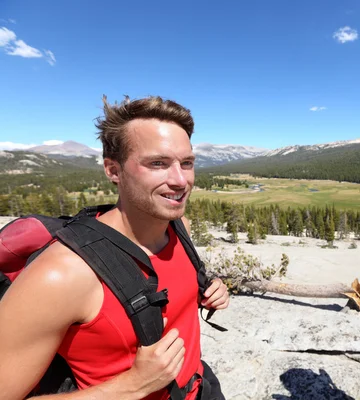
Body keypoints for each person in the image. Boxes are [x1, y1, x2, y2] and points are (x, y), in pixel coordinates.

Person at [0, 95, 230, 400]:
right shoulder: (62, 274)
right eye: (157, 163)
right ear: (113, 170)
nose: (180, 180)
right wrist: (131, 386)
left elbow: (173, 290)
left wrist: (207, 288)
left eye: (186, 163)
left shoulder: (178, 228)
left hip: (199, 389)